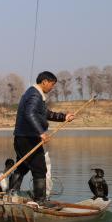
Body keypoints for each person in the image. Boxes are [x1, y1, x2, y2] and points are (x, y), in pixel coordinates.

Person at [9, 72, 74, 206]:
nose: (52, 87)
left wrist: (64, 117)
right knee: (40, 169)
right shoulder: (34, 95)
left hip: (22, 137)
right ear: (44, 82)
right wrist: (41, 133)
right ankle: (40, 200)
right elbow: (30, 113)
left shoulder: (34, 94)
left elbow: (45, 113)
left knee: (22, 166)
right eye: (52, 84)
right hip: (29, 138)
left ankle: (12, 193)